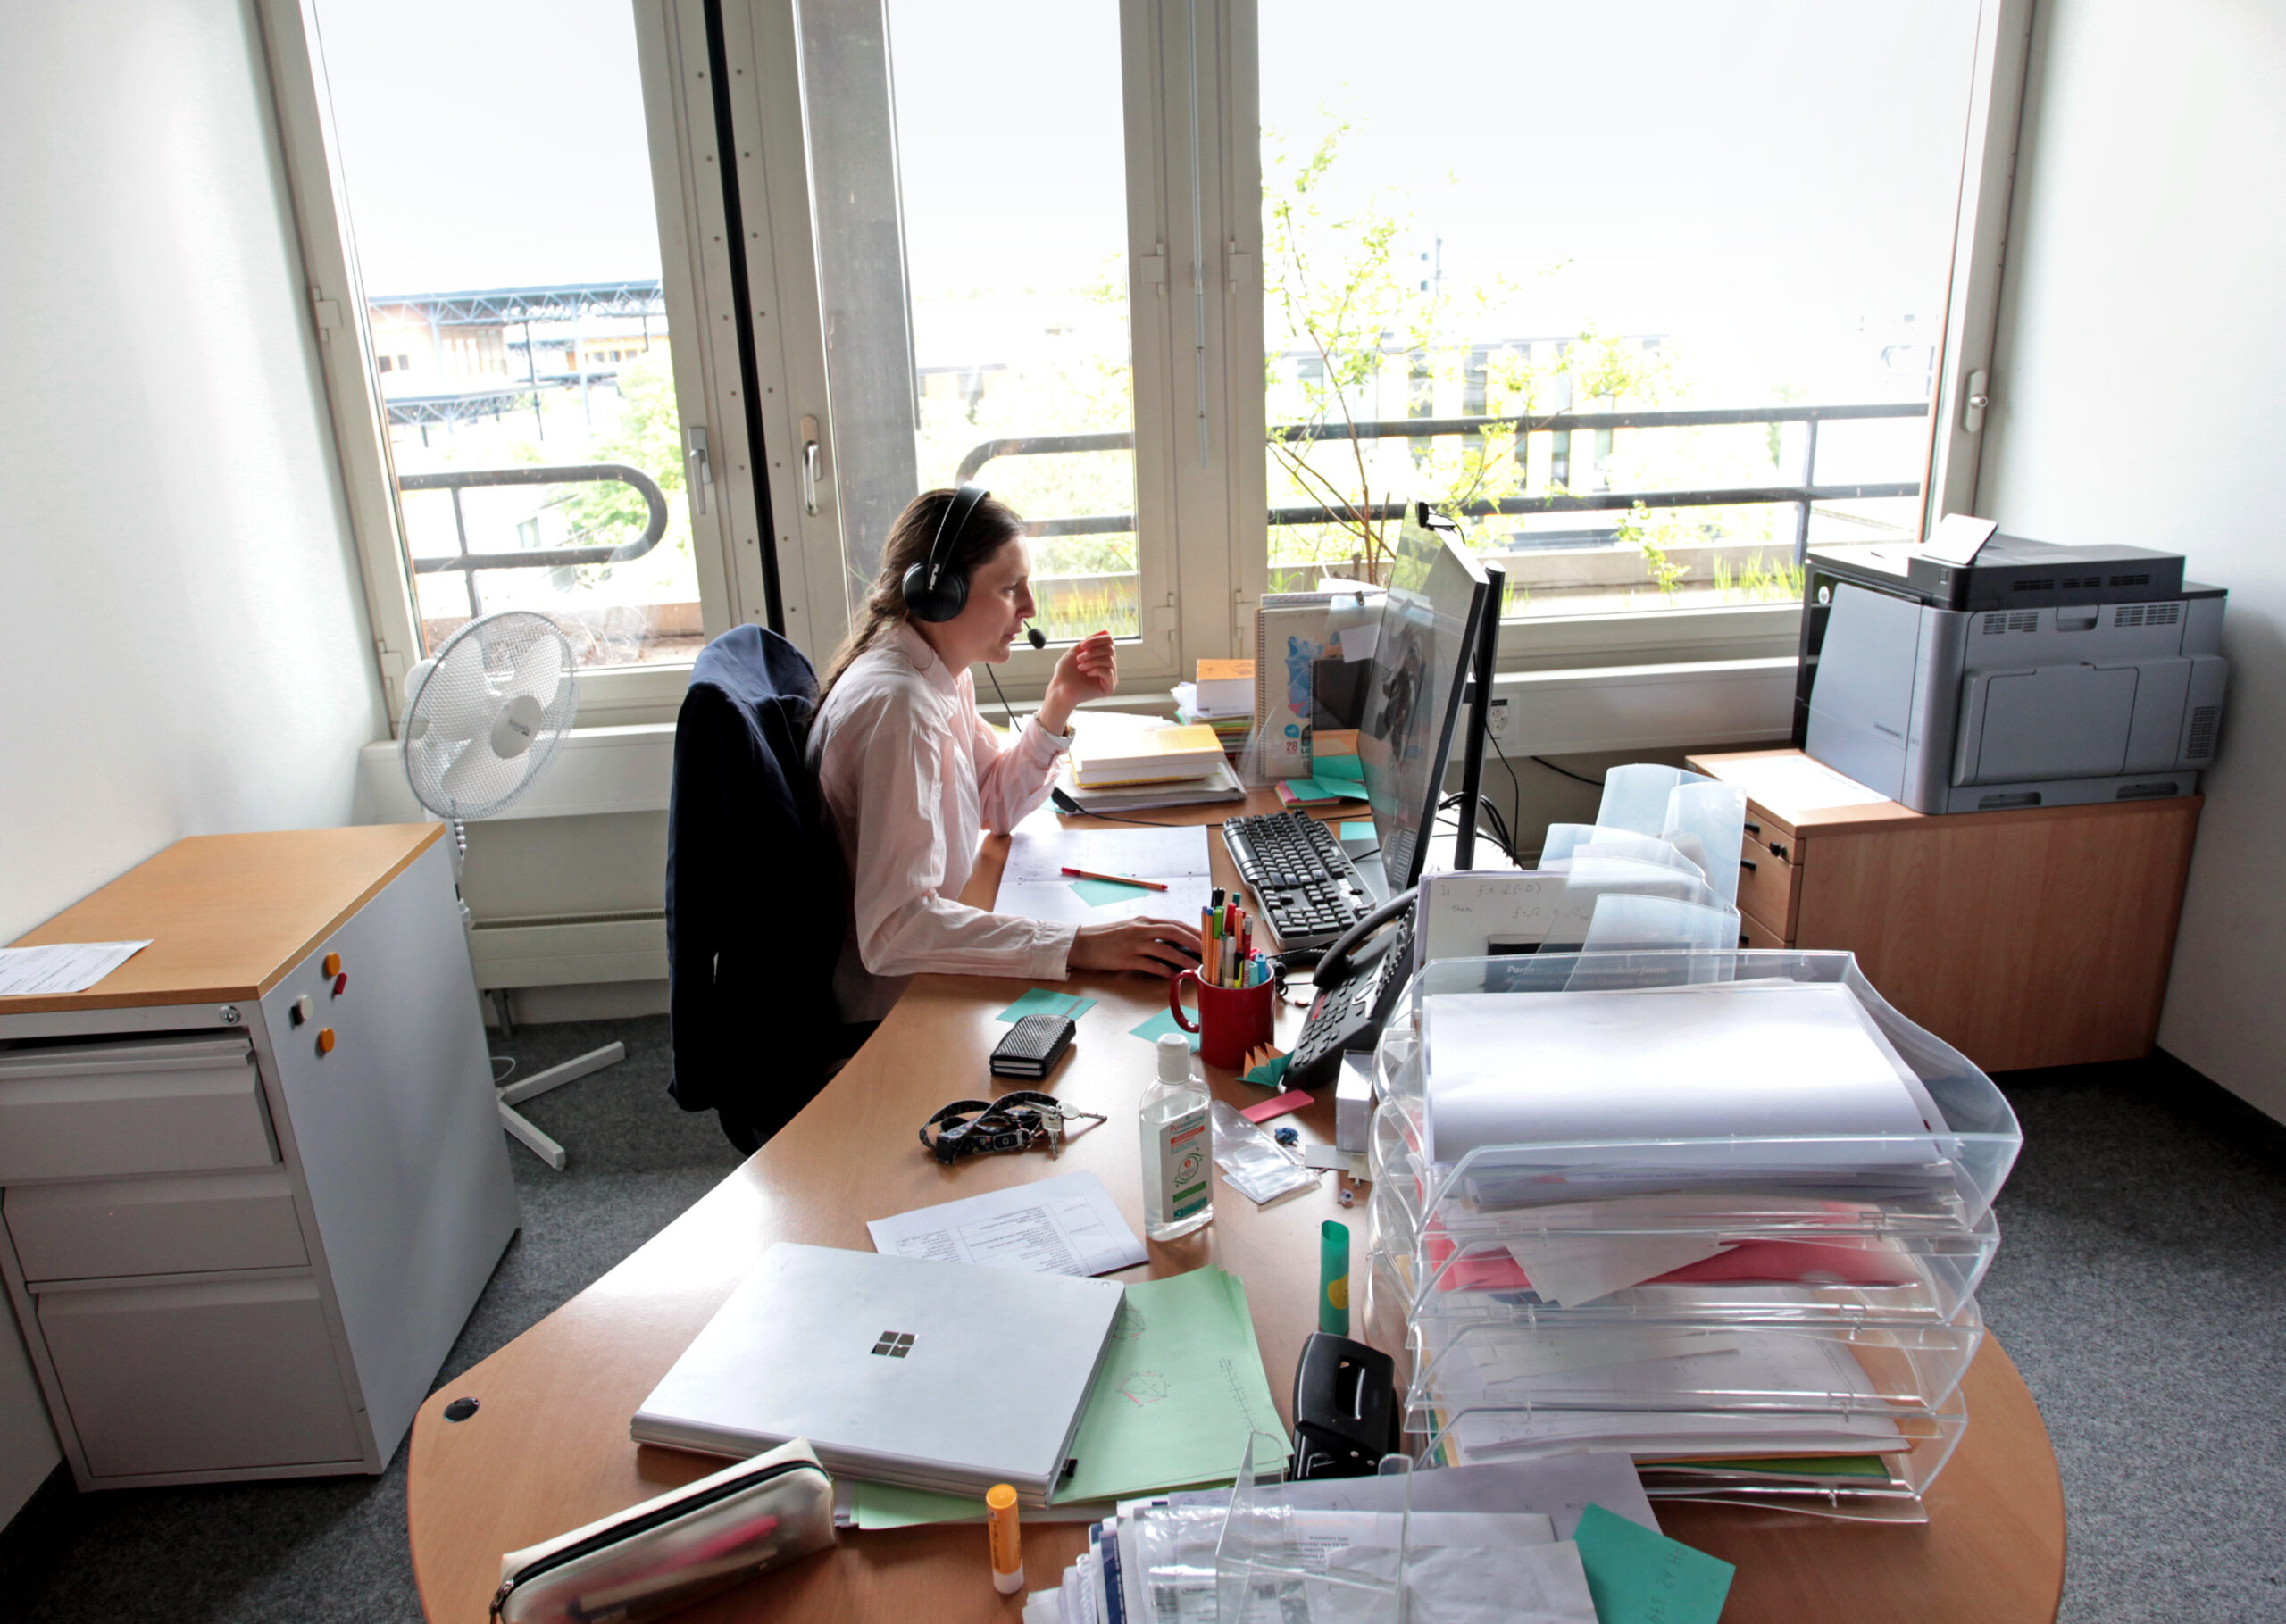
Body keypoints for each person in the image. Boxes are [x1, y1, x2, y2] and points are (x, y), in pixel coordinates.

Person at [810, 487, 1203, 1024]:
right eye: (1010, 588)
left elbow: (993, 801)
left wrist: (1059, 702)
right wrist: (1079, 944)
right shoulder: (900, 710)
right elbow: (894, 931)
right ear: (940, 593)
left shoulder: (936, 670)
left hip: (936, 961)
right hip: (901, 1003)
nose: (1030, 608)